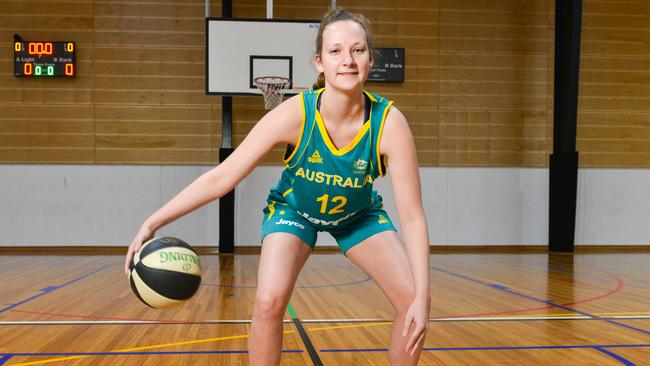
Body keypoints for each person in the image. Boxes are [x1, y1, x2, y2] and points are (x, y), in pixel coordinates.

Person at [124, 7, 430, 365]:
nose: (347, 60)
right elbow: (223, 176)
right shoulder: (294, 114)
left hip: (358, 216)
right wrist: (152, 221)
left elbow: (412, 218)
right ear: (319, 62)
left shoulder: (390, 123)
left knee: (413, 302)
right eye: (335, 51)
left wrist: (423, 295)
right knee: (268, 301)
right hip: (294, 211)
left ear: (370, 58)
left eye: (357, 50)